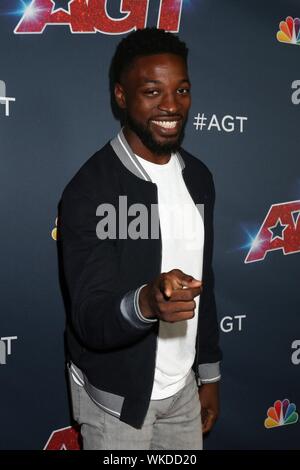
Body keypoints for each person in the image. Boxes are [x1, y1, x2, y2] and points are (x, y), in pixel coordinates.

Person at [60, 27, 222, 450]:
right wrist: (147, 302)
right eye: (153, 92)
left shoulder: (199, 178)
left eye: (181, 90)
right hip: (117, 404)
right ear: (120, 96)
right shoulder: (89, 190)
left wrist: (208, 375)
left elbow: (206, 279)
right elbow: (90, 317)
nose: (172, 106)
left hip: (183, 393)